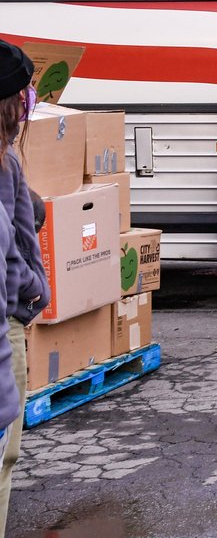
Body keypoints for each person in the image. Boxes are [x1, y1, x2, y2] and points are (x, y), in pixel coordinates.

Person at [0, 39, 49, 534]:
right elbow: (7, 254)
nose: (28, 104)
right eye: (25, 94)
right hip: (7, 323)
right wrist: (31, 291)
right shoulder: (3, 160)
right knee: (5, 454)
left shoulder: (6, 156)